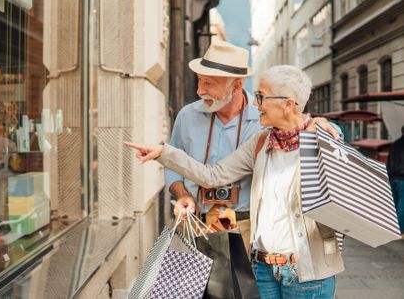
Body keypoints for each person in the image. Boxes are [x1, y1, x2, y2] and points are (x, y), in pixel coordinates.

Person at [125, 65, 344, 298]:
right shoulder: (261, 141)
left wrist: (324, 126)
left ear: (288, 104)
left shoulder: (323, 140)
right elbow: (213, 175)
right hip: (264, 268)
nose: (255, 104)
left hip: (305, 273)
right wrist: (163, 152)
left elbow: (344, 200)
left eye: (260, 97)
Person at [167, 40, 339, 253]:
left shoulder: (265, 118)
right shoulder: (187, 116)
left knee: (243, 287)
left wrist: (322, 123)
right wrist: (182, 194)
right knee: (194, 286)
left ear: (237, 86)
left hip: (248, 228)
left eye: (209, 83)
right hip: (195, 223)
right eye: (200, 81)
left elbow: (296, 123)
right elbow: (174, 167)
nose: (200, 90)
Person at [387, 125, 404, 233]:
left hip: (392, 177)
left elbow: (389, 160)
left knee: (393, 205)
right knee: (402, 206)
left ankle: (392, 227)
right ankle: (399, 230)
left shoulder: (395, 144)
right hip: (402, 178)